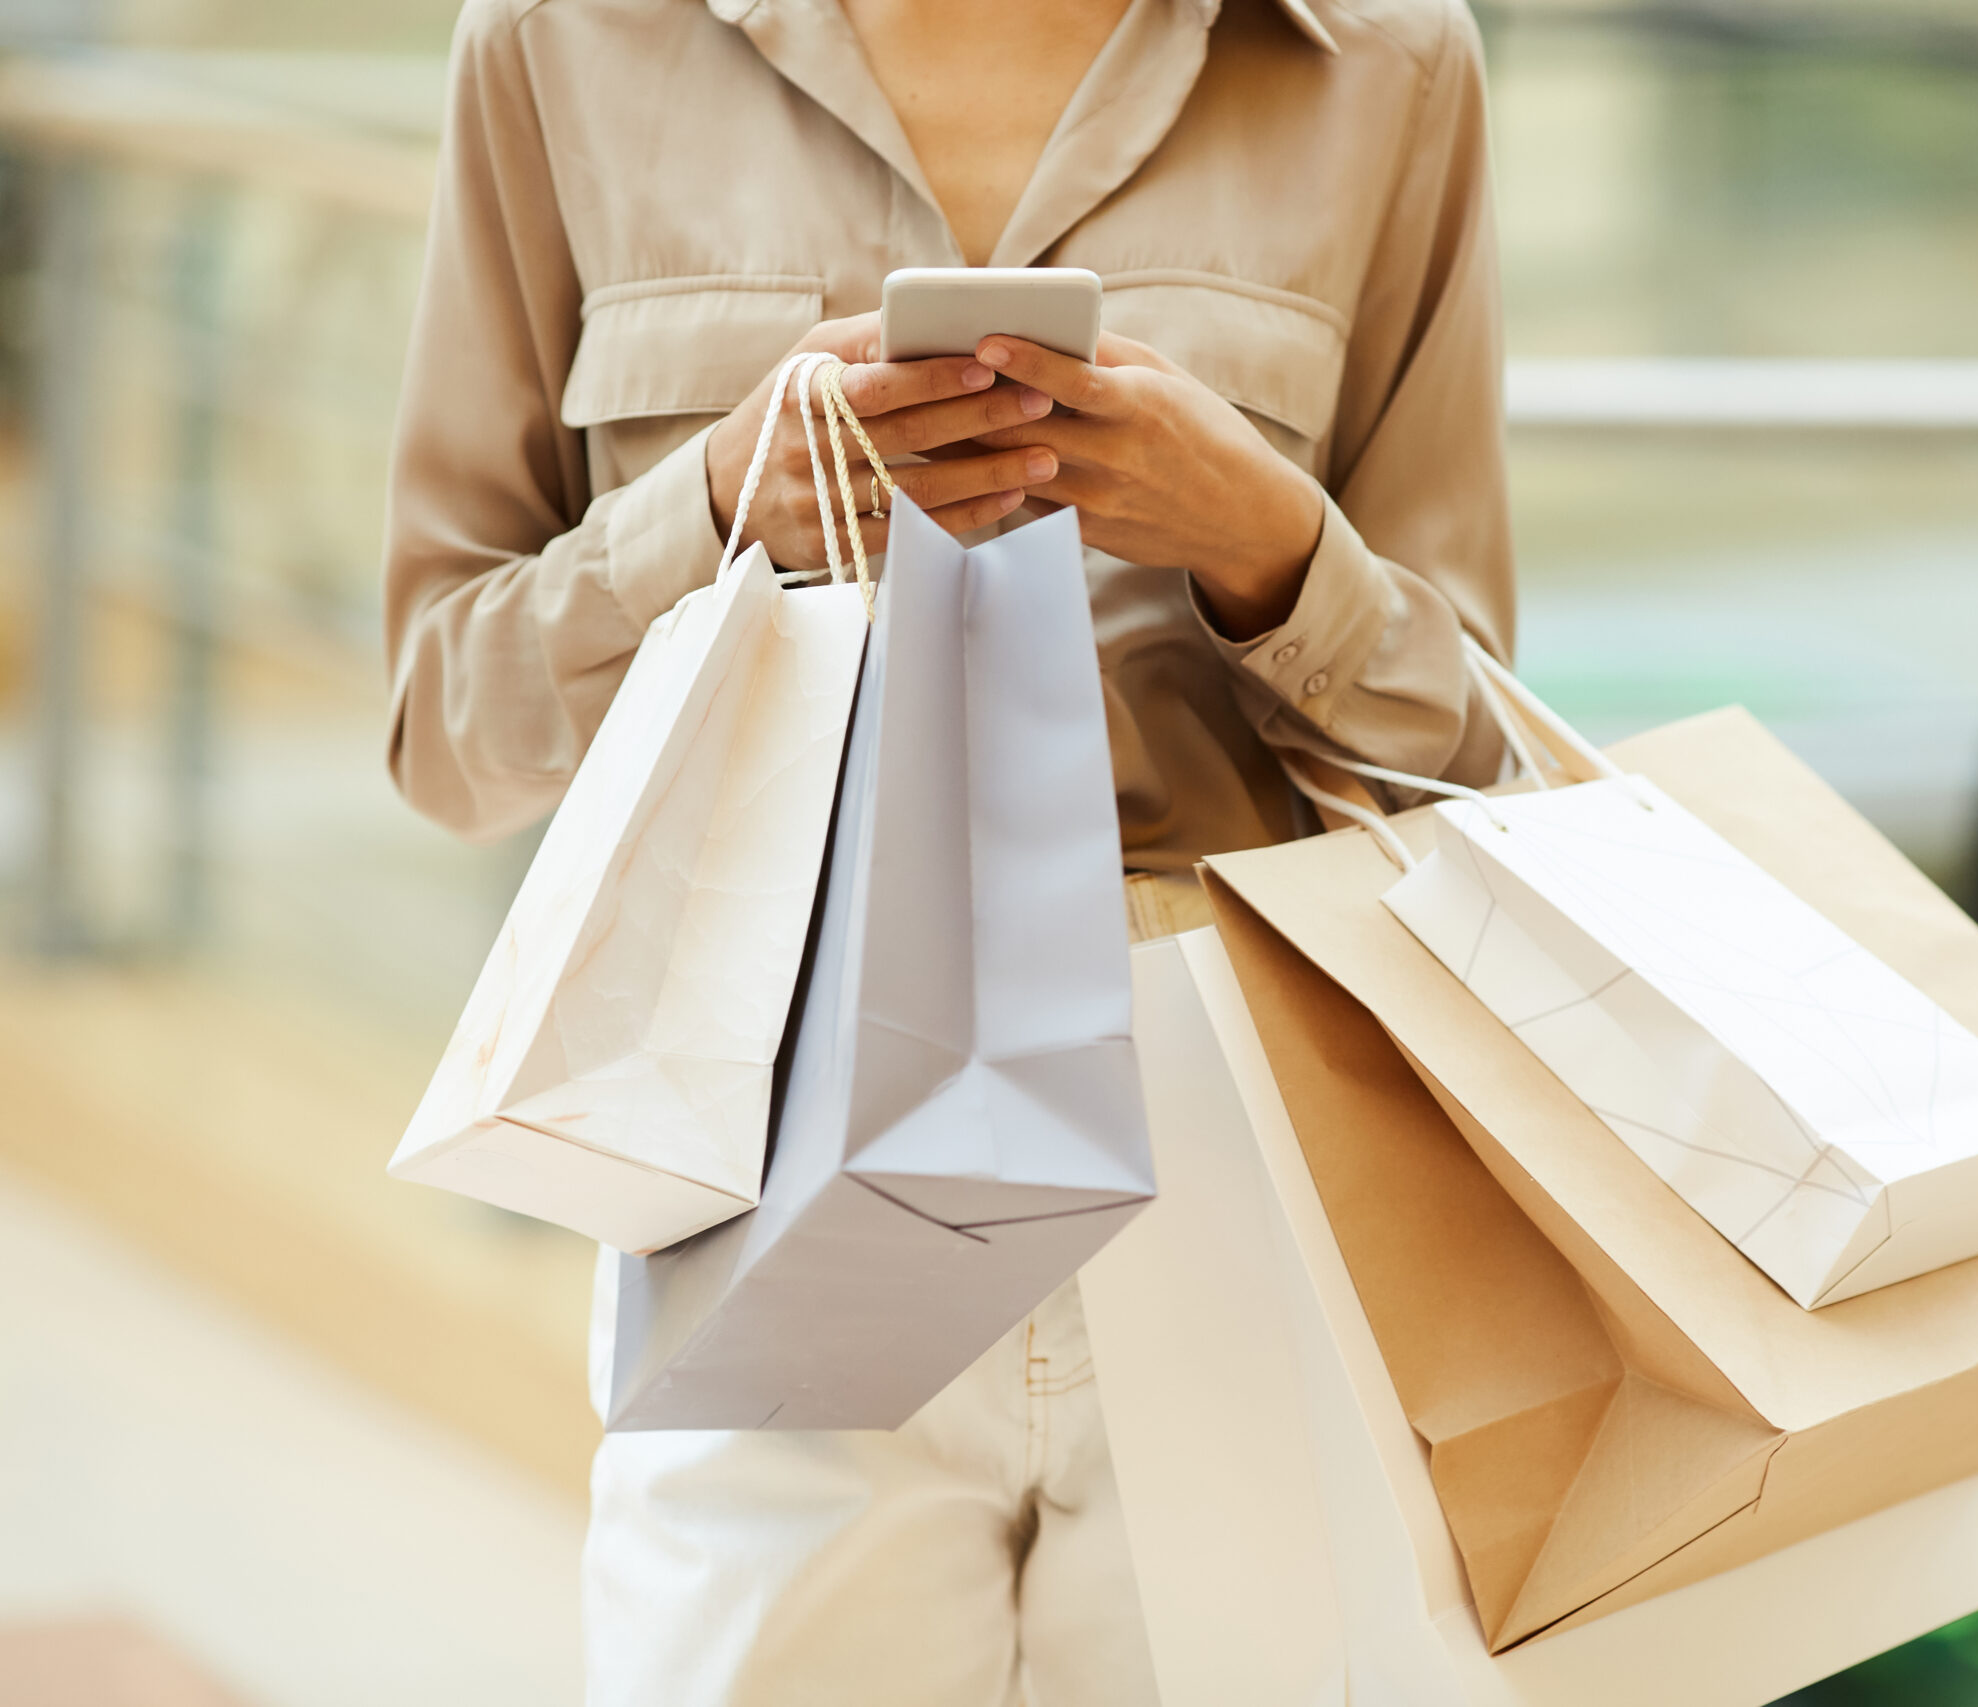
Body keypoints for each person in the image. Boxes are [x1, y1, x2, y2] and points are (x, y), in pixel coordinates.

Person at [380, 0, 1515, 1697]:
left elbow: (1479, 781)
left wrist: (1273, 549)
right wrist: (703, 514)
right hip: (756, 1148)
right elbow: (443, 733)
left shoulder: (1385, 60)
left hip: (1239, 1147)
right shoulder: (563, 39)